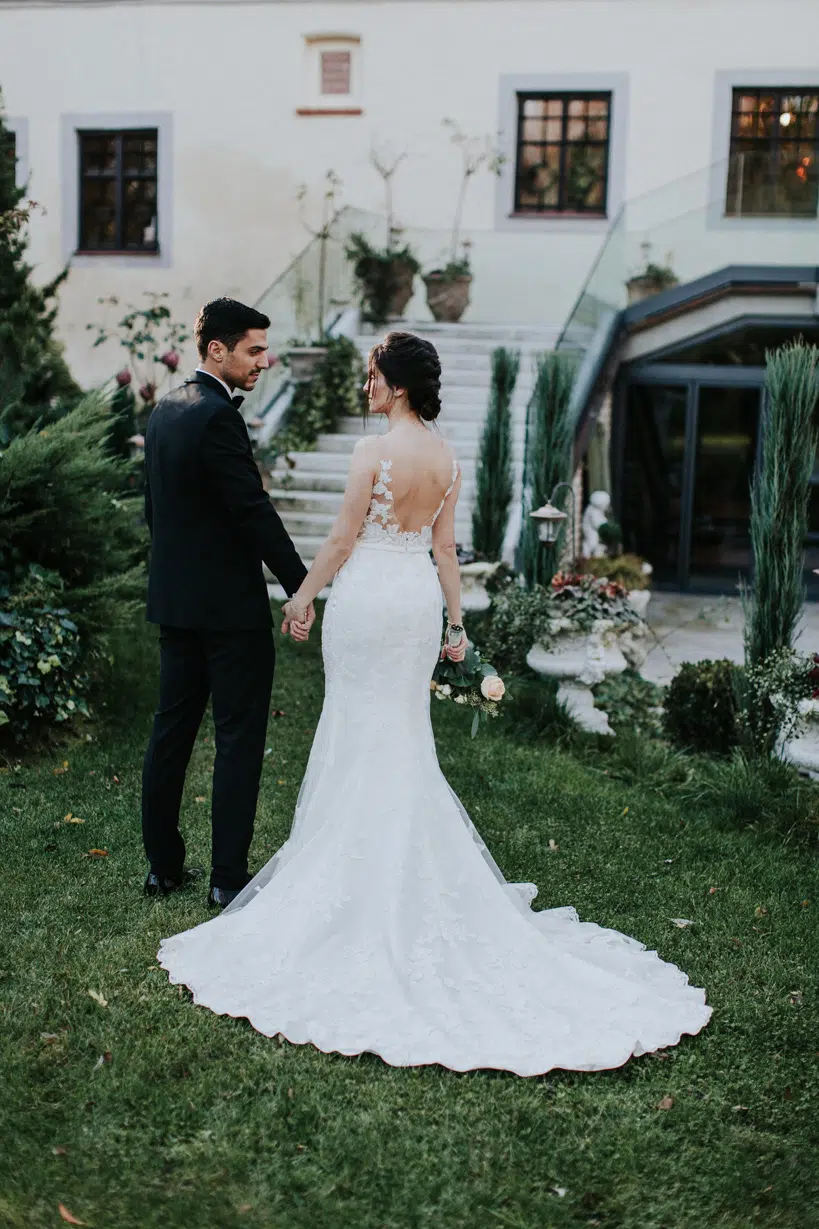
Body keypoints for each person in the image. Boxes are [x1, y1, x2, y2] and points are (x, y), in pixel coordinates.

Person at [157, 331, 713, 1077]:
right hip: (415, 602)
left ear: (397, 385)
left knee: (356, 728)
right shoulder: (447, 459)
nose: (365, 386)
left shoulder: (371, 454)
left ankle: (346, 879)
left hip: (365, 605)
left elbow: (344, 537)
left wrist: (301, 597)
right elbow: (446, 550)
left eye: (371, 376)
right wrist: (456, 625)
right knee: (400, 736)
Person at [141, 298, 314, 910]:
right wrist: (302, 582)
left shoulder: (164, 408)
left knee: (171, 732)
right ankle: (226, 878)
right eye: (255, 349)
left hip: (175, 602)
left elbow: (153, 512)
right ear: (218, 348)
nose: (265, 361)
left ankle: (162, 868)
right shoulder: (217, 417)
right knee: (238, 737)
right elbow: (251, 511)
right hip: (230, 613)